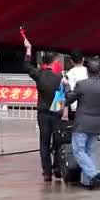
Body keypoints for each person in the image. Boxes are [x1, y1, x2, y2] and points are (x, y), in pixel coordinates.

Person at [22, 35, 64, 182]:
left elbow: (27, 66)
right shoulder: (60, 77)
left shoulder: (39, 74)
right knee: (58, 141)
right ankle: (57, 168)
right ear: (54, 61)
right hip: (56, 113)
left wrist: (28, 49)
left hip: (43, 113)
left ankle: (47, 172)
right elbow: (63, 96)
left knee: (44, 142)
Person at [65, 59, 100, 188]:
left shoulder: (81, 85)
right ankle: (88, 181)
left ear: (87, 71)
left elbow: (69, 99)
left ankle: (93, 173)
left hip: (81, 123)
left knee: (79, 151)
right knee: (89, 152)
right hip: (96, 124)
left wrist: (67, 86)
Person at [65, 50, 88, 121]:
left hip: (73, 106)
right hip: (87, 106)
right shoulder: (88, 72)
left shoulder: (68, 74)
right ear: (83, 59)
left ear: (71, 61)